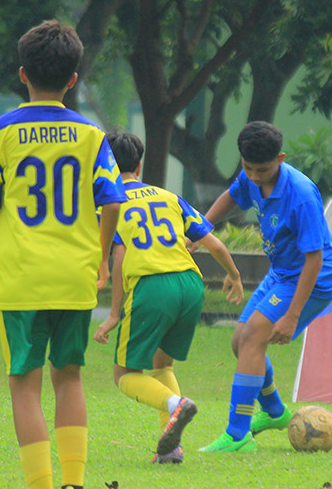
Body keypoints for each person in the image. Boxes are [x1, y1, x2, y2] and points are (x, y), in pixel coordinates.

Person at [0, 20, 126, 489]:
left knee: (24, 383)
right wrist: (100, 256)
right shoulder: (91, 135)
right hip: (75, 276)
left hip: (20, 279)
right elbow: (112, 202)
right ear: (74, 79)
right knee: (70, 377)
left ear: (21, 74)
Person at [93, 132, 244, 463]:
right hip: (191, 285)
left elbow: (119, 258)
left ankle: (177, 405)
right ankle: (170, 448)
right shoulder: (169, 197)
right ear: (140, 164)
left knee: (125, 374)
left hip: (152, 286)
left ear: (103, 166)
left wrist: (114, 313)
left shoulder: (109, 204)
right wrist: (233, 275)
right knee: (162, 363)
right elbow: (213, 243)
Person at [197, 121, 332, 453]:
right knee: (240, 342)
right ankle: (276, 412)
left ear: (280, 158)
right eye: (247, 168)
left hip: (315, 277)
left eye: (261, 169)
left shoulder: (302, 194)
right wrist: (201, 228)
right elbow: (233, 196)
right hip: (282, 272)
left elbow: (314, 260)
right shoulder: (252, 177)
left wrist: (292, 317)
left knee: (252, 338)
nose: (254, 176)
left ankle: (237, 435)